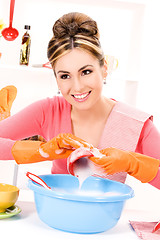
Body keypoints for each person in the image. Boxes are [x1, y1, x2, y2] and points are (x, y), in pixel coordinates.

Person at [0, 12, 159, 188]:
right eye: (65, 75)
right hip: (55, 212)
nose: (77, 87)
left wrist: (133, 164)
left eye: (86, 72)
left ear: (104, 68)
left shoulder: (136, 124)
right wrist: (42, 151)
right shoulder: (48, 111)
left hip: (108, 214)